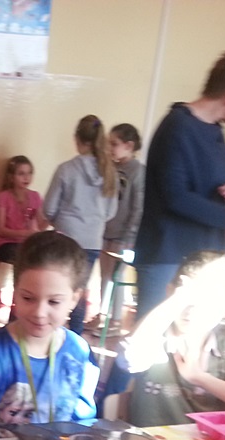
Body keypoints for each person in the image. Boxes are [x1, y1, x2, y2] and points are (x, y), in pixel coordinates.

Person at [134, 48, 225, 319]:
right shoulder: (177, 126)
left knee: (192, 340)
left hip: (205, 258)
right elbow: (176, 196)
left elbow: (214, 188)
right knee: (150, 340)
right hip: (168, 256)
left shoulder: (215, 130)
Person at [0, 231, 98, 440]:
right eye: (28, 298)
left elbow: (83, 422)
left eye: (54, 302)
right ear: (15, 291)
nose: (39, 312)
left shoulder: (79, 351)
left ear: (74, 299)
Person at [124, 252, 225, 428]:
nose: (192, 308)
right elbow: (131, 356)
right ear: (171, 293)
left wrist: (200, 377)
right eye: (188, 298)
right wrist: (177, 299)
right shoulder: (156, 338)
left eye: (208, 300)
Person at [42, 115, 118, 335]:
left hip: (66, 236)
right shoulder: (110, 173)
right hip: (92, 239)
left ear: (77, 139)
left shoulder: (66, 169)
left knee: (58, 287)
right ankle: (75, 336)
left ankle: (49, 332)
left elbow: (49, 208)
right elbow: (110, 212)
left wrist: (58, 221)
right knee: (78, 290)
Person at [95, 123, 145, 328]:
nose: (110, 148)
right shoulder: (112, 168)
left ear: (129, 146)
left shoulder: (138, 171)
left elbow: (138, 206)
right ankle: (102, 315)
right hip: (106, 230)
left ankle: (115, 320)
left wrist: (129, 236)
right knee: (104, 276)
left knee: (116, 276)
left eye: (114, 144)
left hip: (124, 235)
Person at [0, 155, 43, 264]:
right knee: (21, 256)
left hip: (28, 244)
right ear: (11, 177)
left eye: (29, 173)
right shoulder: (3, 197)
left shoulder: (35, 196)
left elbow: (41, 224)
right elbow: (0, 230)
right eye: (21, 174)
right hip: (6, 244)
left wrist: (52, 218)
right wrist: (25, 233)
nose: (26, 177)